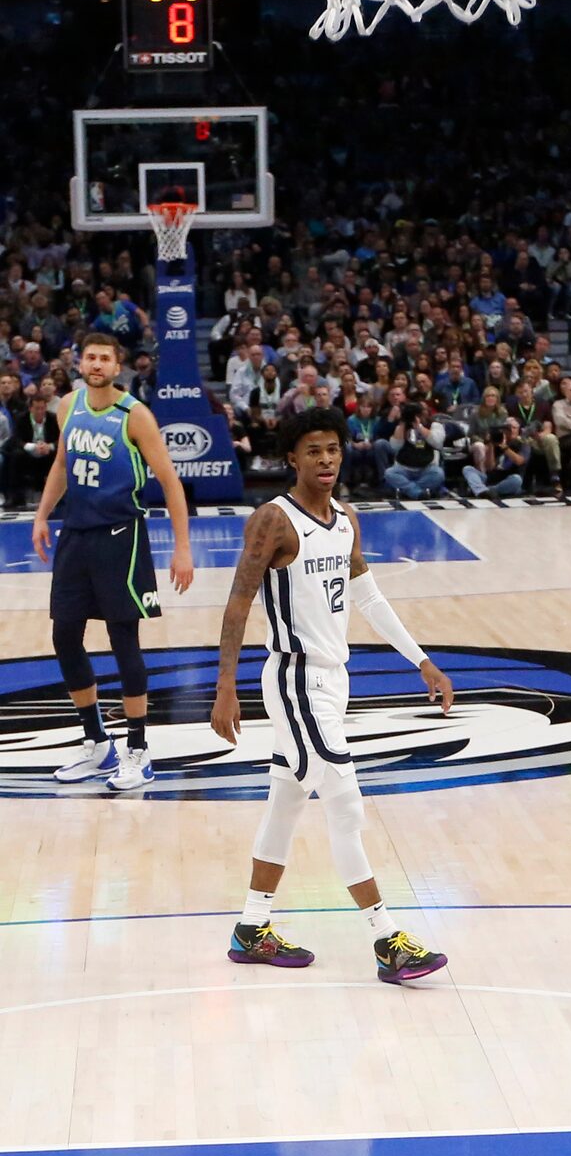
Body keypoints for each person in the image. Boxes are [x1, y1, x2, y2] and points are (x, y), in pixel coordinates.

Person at [209, 406, 452, 985]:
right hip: (296, 680)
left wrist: (421, 661)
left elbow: (368, 598)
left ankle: (251, 928)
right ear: (291, 458)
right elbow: (239, 603)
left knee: (287, 801)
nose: (325, 460)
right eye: (313, 451)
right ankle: (386, 939)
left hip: (331, 682)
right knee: (345, 804)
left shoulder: (345, 518)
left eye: (334, 450)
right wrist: (225, 685)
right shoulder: (272, 520)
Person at [32, 333, 194, 792]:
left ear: (118, 366)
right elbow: (62, 464)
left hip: (122, 537)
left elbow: (171, 482)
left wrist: (182, 548)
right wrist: (42, 515)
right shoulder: (68, 406)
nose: (97, 364)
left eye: (105, 358)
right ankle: (97, 743)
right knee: (64, 635)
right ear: (79, 362)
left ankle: (138, 750)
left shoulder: (135, 415)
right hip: (76, 535)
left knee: (124, 641)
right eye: (90, 356)